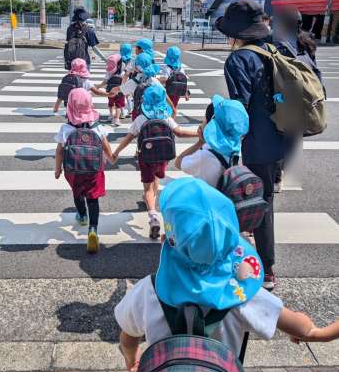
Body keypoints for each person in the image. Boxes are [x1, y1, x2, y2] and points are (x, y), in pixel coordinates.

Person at [115, 177, 334, 372]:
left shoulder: (148, 291)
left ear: (168, 240)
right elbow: (304, 329)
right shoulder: (243, 296)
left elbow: (128, 338)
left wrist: (131, 359)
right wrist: (319, 333)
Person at [216, 0, 290, 291]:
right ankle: (253, 249)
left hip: (257, 142)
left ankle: (265, 269)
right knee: (264, 195)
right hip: (281, 135)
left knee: (257, 200)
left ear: (237, 33)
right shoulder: (275, 49)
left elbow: (240, 108)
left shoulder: (239, 60)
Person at [112, 84, 200, 239]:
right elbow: (180, 132)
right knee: (156, 179)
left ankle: (153, 216)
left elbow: (128, 137)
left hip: (145, 157)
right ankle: (153, 201)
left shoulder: (140, 119)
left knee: (147, 188)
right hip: (163, 157)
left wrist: (116, 152)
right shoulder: (165, 118)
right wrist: (199, 134)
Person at [54, 88, 113, 253]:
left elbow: (59, 151)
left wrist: (57, 168)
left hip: (73, 170)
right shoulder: (97, 127)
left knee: (77, 192)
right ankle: (93, 229)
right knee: (92, 198)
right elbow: (106, 147)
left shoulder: (66, 128)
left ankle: (81, 215)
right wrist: (111, 158)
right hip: (94, 169)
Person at [271, 6, 324, 193]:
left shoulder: (277, 44)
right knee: (293, 139)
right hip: (305, 99)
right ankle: (280, 173)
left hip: (283, 99)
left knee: (278, 136)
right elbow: (315, 71)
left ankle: (276, 175)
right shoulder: (306, 43)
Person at [175, 94, 249, 188]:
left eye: (205, 119)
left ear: (211, 124)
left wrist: (200, 143)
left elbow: (179, 162)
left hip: (207, 196)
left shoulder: (204, 156)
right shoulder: (234, 146)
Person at [96, 54, 125, 126]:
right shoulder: (122, 72)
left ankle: (111, 115)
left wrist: (98, 86)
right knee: (118, 105)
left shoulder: (109, 72)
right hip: (119, 91)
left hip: (110, 91)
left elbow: (105, 82)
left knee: (111, 103)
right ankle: (117, 119)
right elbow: (124, 82)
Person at [160, 45, 190, 111]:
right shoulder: (181, 68)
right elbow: (184, 81)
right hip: (177, 93)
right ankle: (172, 115)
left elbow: (165, 79)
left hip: (168, 92)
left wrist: (157, 80)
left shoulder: (167, 68)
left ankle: (168, 116)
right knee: (173, 106)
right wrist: (186, 93)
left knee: (166, 107)